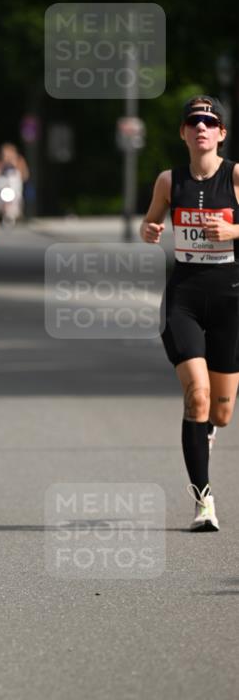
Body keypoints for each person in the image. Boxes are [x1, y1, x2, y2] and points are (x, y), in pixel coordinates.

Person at [141, 95, 239, 531]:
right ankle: (203, 501)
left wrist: (233, 229)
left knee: (221, 411)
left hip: (230, 300)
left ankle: (209, 431)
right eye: (194, 121)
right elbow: (150, 223)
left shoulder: (235, 175)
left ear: (221, 133)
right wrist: (150, 229)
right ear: (183, 132)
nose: (202, 127)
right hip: (184, 299)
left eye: (210, 121)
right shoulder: (169, 180)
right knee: (197, 394)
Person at [0, 142, 30, 226]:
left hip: (14, 186)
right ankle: (1, 210)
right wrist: (1, 166)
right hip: (2, 186)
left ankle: (14, 212)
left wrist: (15, 165)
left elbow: (25, 175)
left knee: (16, 197)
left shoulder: (19, 160)